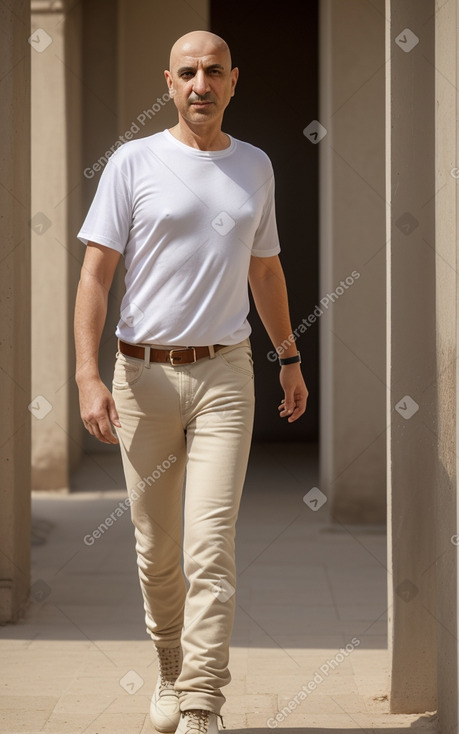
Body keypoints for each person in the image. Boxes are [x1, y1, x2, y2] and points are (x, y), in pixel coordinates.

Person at [74, 29, 308, 734]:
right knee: (156, 550)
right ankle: (170, 669)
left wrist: (288, 358)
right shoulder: (132, 162)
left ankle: (203, 698)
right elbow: (95, 274)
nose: (200, 83)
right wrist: (87, 376)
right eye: (187, 73)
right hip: (141, 375)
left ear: (233, 80)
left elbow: (263, 268)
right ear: (168, 84)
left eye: (213, 71)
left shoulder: (255, 166)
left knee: (211, 543)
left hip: (224, 373)